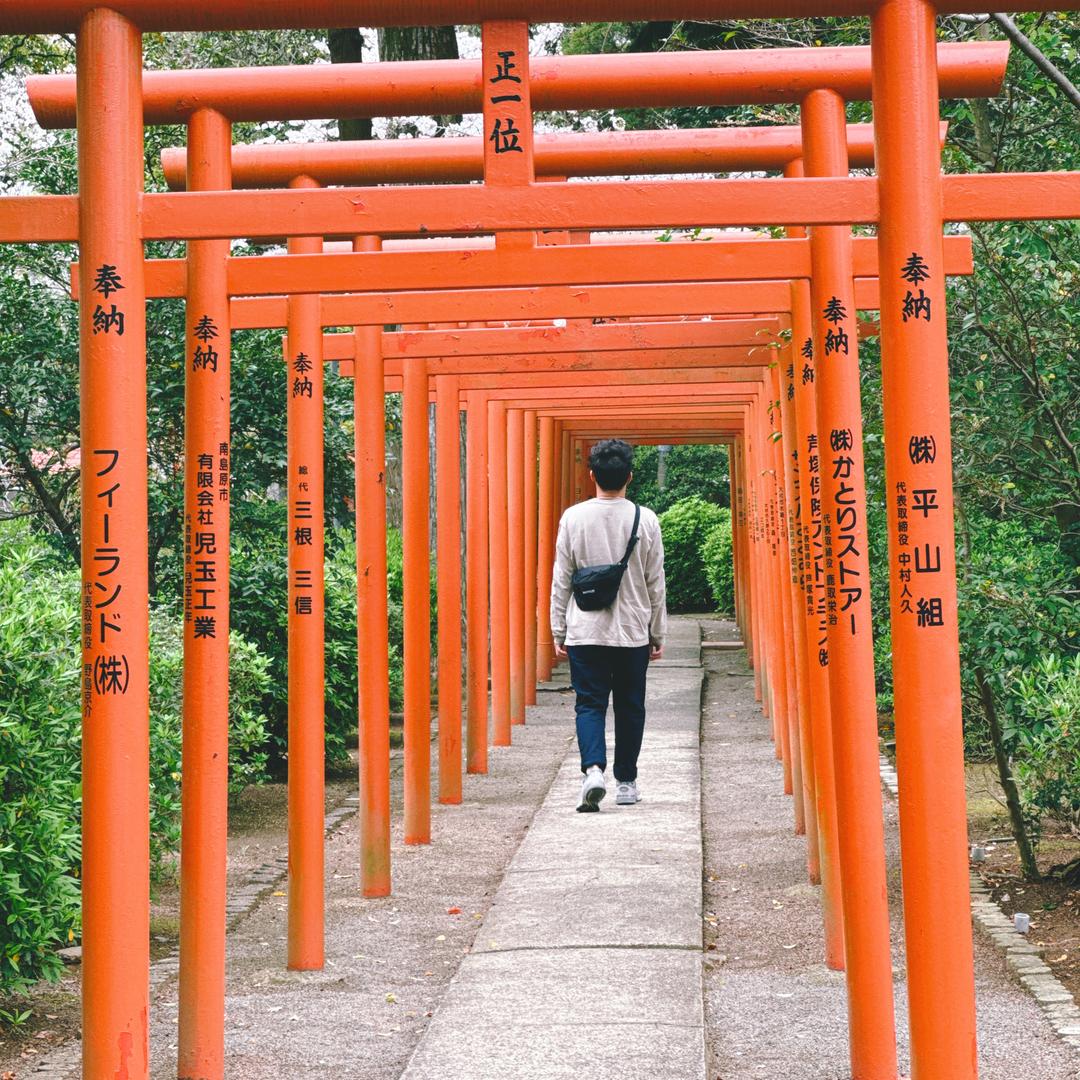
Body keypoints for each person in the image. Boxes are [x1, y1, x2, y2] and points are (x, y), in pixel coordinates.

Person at [550, 439, 667, 812]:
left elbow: (561, 579)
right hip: (632, 629)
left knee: (589, 704)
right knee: (631, 706)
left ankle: (593, 770)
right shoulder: (645, 519)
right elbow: (655, 581)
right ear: (629, 476)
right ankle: (627, 781)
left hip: (585, 630)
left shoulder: (572, 517)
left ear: (591, 476)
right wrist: (657, 633)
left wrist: (558, 629)